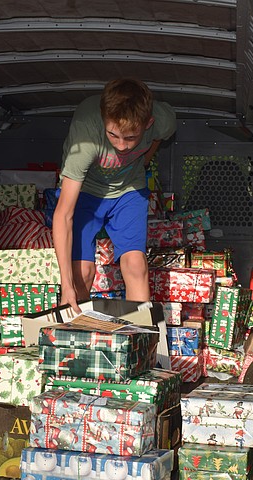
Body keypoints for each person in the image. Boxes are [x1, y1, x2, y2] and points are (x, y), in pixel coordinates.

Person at [53, 78, 176, 310]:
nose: (121, 146)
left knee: (136, 265)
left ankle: (143, 338)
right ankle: (77, 336)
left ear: (148, 123)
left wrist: (144, 161)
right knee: (83, 272)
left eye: (131, 138)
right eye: (113, 135)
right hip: (85, 191)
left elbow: (160, 137)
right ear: (103, 120)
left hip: (128, 190)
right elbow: (64, 214)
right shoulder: (86, 135)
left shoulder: (163, 121)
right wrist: (66, 284)